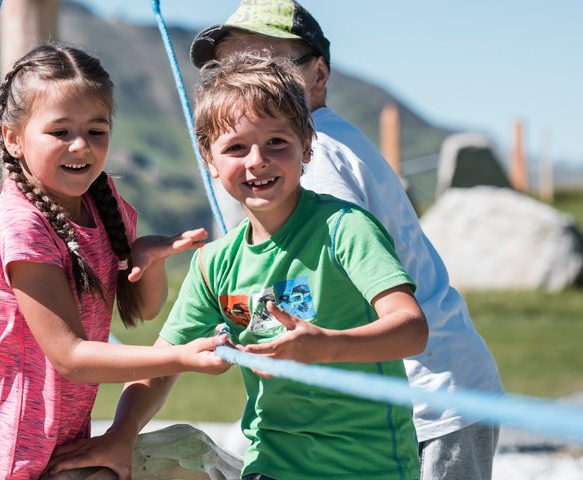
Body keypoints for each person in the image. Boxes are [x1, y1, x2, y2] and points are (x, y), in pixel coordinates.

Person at [50, 52, 429, 479]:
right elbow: (161, 366)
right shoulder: (215, 263)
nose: (256, 161)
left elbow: (412, 328)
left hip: (369, 469)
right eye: (235, 147)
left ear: (306, 145)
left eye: (276, 143)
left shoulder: (345, 228)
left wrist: (326, 344)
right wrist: (122, 432)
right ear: (209, 160)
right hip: (269, 465)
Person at [191, 2, 506, 479]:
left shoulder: (318, 157)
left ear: (318, 74)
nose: (250, 79)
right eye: (232, 65)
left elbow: (318, 273)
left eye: (269, 64)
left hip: (425, 400)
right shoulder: (323, 140)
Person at [0, 44, 230, 479]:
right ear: (12, 138)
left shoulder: (100, 200)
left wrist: (148, 259)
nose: (81, 146)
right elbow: (71, 356)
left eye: (96, 131)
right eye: (60, 132)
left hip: (61, 444)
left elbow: (145, 309)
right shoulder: (23, 226)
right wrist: (183, 359)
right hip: (4, 453)